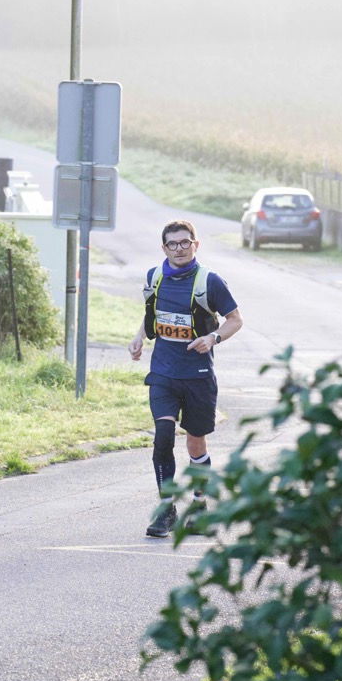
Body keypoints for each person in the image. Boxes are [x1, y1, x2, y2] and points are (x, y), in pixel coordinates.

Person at [128, 219, 242, 538]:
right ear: (164, 248)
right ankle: (166, 510)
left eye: (184, 242)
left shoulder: (210, 282)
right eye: (172, 244)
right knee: (163, 436)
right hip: (163, 372)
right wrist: (138, 337)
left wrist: (213, 338)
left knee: (195, 442)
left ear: (195, 244)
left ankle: (199, 506)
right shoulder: (154, 277)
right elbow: (154, 316)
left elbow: (235, 320)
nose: (179, 249)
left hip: (198, 376)